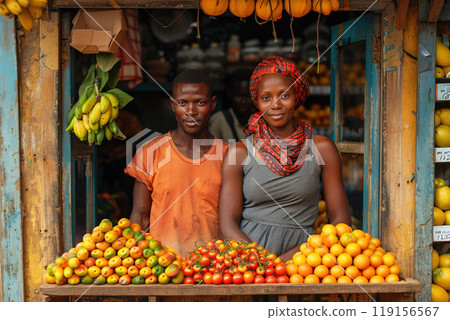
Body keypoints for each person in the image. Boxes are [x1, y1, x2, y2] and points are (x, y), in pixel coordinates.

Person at [219, 56, 351, 261]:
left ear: (297, 96)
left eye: (284, 95)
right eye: (266, 98)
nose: (276, 105)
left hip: (305, 261)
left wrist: (290, 260)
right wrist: (260, 262)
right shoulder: (239, 153)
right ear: (257, 101)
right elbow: (227, 224)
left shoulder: (321, 148)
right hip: (247, 263)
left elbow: (340, 221)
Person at [124, 69, 228, 257]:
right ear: (172, 105)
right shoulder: (150, 152)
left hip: (213, 268)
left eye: (200, 102)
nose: (191, 111)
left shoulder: (229, 156)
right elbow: (140, 216)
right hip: (162, 267)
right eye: (182, 103)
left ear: (213, 104)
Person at [209, 68, 256, 143]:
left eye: (248, 96)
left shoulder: (260, 122)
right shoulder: (219, 121)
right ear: (230, 94)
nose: (243, 101)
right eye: (238, 96)